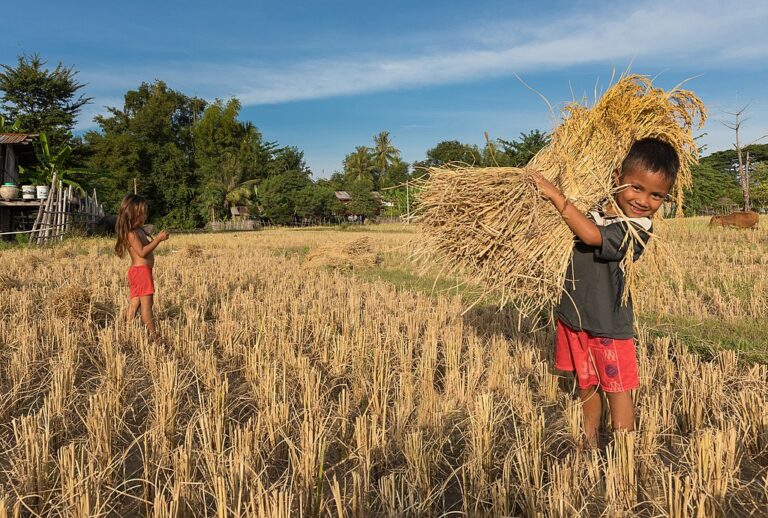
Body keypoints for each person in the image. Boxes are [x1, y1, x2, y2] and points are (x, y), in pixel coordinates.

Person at [530, 137, 679, 447]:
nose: (643, 200)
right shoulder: (598, 205)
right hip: (574, 316)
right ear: (616, 177)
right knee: (586, 384)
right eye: (636, 187)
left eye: (656, 195)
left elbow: (588, 233)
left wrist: (556, 196)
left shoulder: (638, 227)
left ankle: (625, 450)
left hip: (608, 325)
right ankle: (590, 438)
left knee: (617, 388)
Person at [114, 194, 170, 341]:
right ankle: (154, 335)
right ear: (133, 214)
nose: (145, 216)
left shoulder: (139, 230)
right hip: (141, 273)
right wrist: (158, 239)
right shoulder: (131, 234)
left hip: (139, 272)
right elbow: (142, 252)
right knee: (147, 306)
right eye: (142, 213)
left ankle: (127, 330)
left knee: (135, 304)